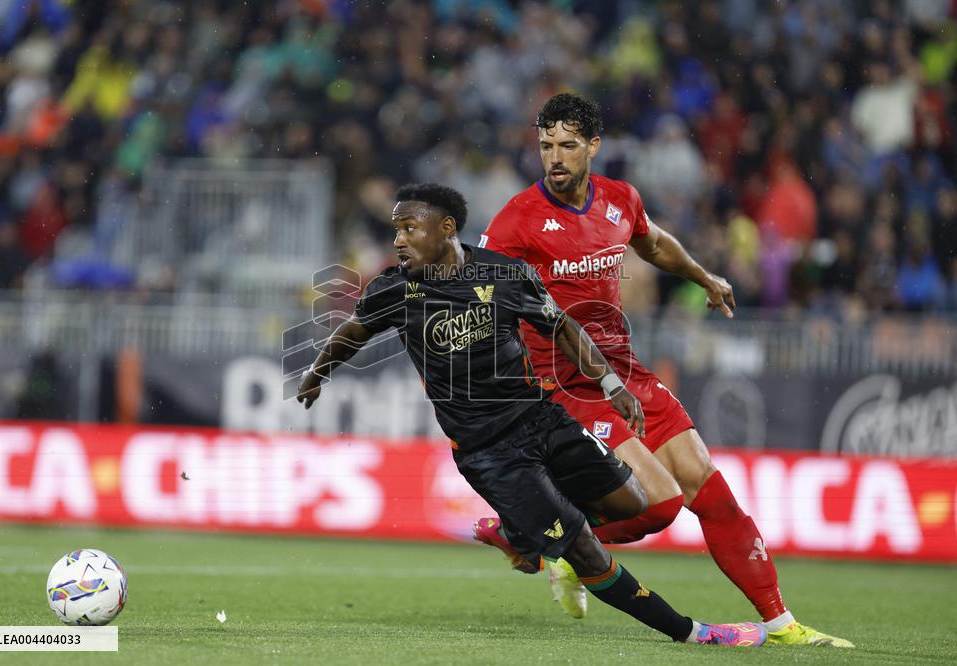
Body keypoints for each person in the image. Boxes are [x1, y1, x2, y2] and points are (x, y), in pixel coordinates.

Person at [297, 183, 765, 648]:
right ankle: (693, 633)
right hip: (489, 453)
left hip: (542, 418)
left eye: (408, 228)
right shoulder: (394, 289)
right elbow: (353, 332)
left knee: (634, 502)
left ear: (446, 229)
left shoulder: (504, 274)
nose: (398, 239)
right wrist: (318, 372)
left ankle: (524, 532)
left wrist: (610, 383)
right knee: (586, 551)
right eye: (395, 229)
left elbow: (560, 325)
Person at [476, 93, 853, 648]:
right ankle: (549, 540)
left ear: (594, 147)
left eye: (567, 146)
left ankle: (781, 625)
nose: (554, 157)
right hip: (565, 386)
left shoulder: (619, 199)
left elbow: (651, 242)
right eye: (546, 145)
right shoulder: (517, 218)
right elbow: (476, 289)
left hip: (624, 372)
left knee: (709, 490)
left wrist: (704, 276)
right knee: (662, 505)